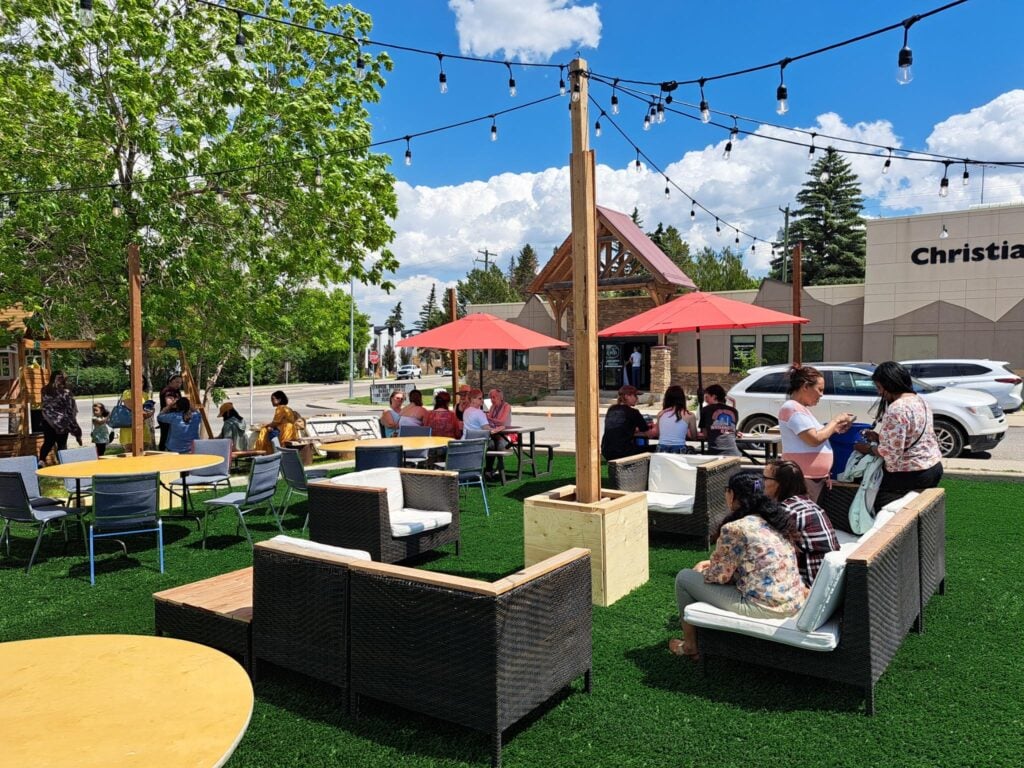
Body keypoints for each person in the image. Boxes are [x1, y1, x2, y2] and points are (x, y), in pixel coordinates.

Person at [669, 472, 808, 660]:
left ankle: (690, 646)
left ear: (733, 495)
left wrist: (702, 569)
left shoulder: (736, 528)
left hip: (764, 607)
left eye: (727, 491)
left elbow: (719, 577)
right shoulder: (775, 521)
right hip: (792, 602)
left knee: (685, 578)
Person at [852, 361, 943, 495]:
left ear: (889, 385)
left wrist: (867, 448)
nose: (879, 392)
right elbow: (911, 437)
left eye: (879, 387)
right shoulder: (920, 401)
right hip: (933, 467)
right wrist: (879, 438)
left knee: (855, 476)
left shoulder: (897, 408)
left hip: (909, 474)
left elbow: (891, 453)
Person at [779, 365, 855, 502]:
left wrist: (836, 428)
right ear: (805, 386)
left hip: (812, 478)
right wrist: (835, 420)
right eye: (819, 390)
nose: (821, 394)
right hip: (804, 478)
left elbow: (819, 434)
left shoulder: (802, 410)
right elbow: (814, 438)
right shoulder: (791, 408)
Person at [763, 459, 840, 586]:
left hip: (809, 584)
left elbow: (768, 550)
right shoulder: (806, 503)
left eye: (765, 478)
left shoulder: (786, 510)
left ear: (780, 484)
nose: (761, 483)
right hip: (828, 579)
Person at [600, 385, 654, 463]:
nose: (637, 398)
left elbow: (620, 429)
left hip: (606, 451)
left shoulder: (611, 409)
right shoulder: (634, 412)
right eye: (635, 395)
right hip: (623, 451)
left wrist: (634, 431)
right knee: (656, 449)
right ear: (626, 396)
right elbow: (649, 434)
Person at [38, 370, 82, 466]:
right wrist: (75, 429)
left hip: (47, 420)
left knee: (48, 442)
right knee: (62, 444)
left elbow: (44, 405)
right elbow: (70, 409)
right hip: (62, 421)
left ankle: (41, 461)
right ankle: (63, 465)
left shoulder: (44, 389)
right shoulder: (66, 392)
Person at [650, 385, 697, 454]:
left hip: (661, 449)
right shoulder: (689, 415)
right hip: (679, 449)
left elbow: (658, 434)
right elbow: (694, 437)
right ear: (682, 399)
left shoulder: (661, 414)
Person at [697, 384, 741, 457]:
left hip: (715, 453)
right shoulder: (734, 411)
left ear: (714, 397)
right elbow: (732, 430)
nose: (705, 400)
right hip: (734, 453)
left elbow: (705, 434)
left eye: (707, 397)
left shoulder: (705, 410)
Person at [118, 378, 156, 452]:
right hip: (128, 427)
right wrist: (142, 411)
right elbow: (129, 405)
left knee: (144, 449)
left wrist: (149, 412)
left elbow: (150, 410)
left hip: (142, 425)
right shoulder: (127, 393)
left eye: (142, 382)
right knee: (129, 451)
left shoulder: (145, 395)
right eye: (137, 381)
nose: (140, 383)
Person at [157, 374, 184, 451]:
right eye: (177, 382)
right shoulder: (167, 390)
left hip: (173, 417)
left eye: (180, 383)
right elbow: (169, 403)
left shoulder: (176, 391)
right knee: (165, 437)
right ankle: (162, 453)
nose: (179, 384)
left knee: (171, 437)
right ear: (170, 381)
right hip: (167, 417)